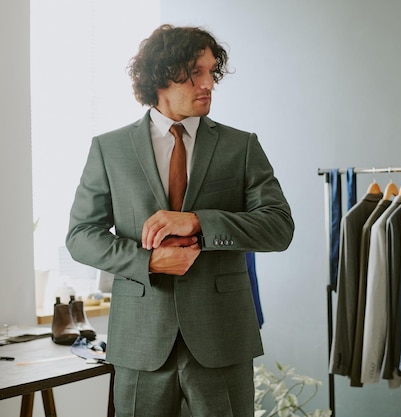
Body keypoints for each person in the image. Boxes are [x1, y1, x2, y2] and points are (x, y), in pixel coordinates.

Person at [66, 24, 294, 417]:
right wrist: (148, 261)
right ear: (160, 76)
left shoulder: (241, 146)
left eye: (211, 72)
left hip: (222, 338)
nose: (208, 84)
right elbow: (81, 236)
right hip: (140, 342)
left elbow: (278, 227)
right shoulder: (109, 149)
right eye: (195, 72)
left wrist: (199, 222)